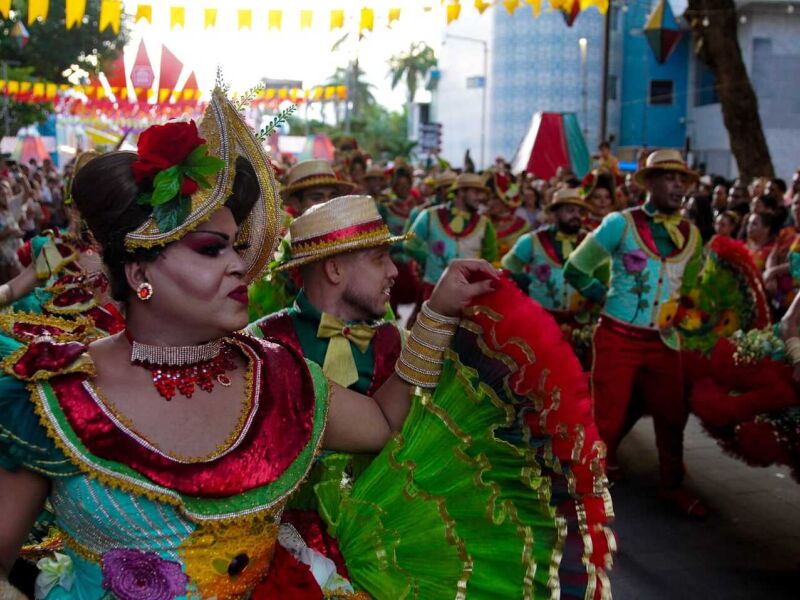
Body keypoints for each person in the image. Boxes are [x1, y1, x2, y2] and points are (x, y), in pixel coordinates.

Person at [0, 88, 614, 600]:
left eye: (239, 247)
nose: (241, 266)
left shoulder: (277, 376)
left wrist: (437, 312)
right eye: (212, 250)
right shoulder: (51, 396)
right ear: (139, 276)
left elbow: (378, 422)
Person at [564, 149, 707, 517]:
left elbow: (690, 287)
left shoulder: (692, 235)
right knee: (607, 421)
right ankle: (586, 490)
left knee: (672, 418)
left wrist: (685, 311)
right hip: (617, 337)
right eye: (671, 178)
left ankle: (672, 486)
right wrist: (603, 296)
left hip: (663, 343)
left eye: (683, 180)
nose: (679, 185)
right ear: (651, 182)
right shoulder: (619, 224)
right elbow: (576, 267)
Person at [248, 195, 404, 395]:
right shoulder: (259, 346)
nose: (393, 271)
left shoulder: (399, 343)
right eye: (379, 258)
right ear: (335, 270)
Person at [502, 188, 600, 365]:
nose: (576, 215)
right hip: (541, 323)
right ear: (554, 214)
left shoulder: (590, 242)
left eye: (579, 211)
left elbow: (604, 276)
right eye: (570, 210)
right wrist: (526, 288)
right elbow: (508, 268)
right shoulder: (531, 241)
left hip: (580, 327)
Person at [405, 172, 498, 300]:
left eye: (481, 192)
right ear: (460, 192)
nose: (480, 197)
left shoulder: (485, 223)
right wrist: (429, 260)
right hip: (434, 290)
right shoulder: (429, 215)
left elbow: (490, 257)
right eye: (476, 192)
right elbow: (410, 244)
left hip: (468, 295)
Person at [281, 159, 355, 216]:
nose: (327, 203)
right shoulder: (285, 235)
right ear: (296, 204)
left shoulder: (351, 231)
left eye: (333, 196)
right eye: (317, 198)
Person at [486, 171, 530, 262]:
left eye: (495, 198)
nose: (490, 203)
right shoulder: (481, 223)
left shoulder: (522, 225)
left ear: (506, 201)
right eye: (488, 198)